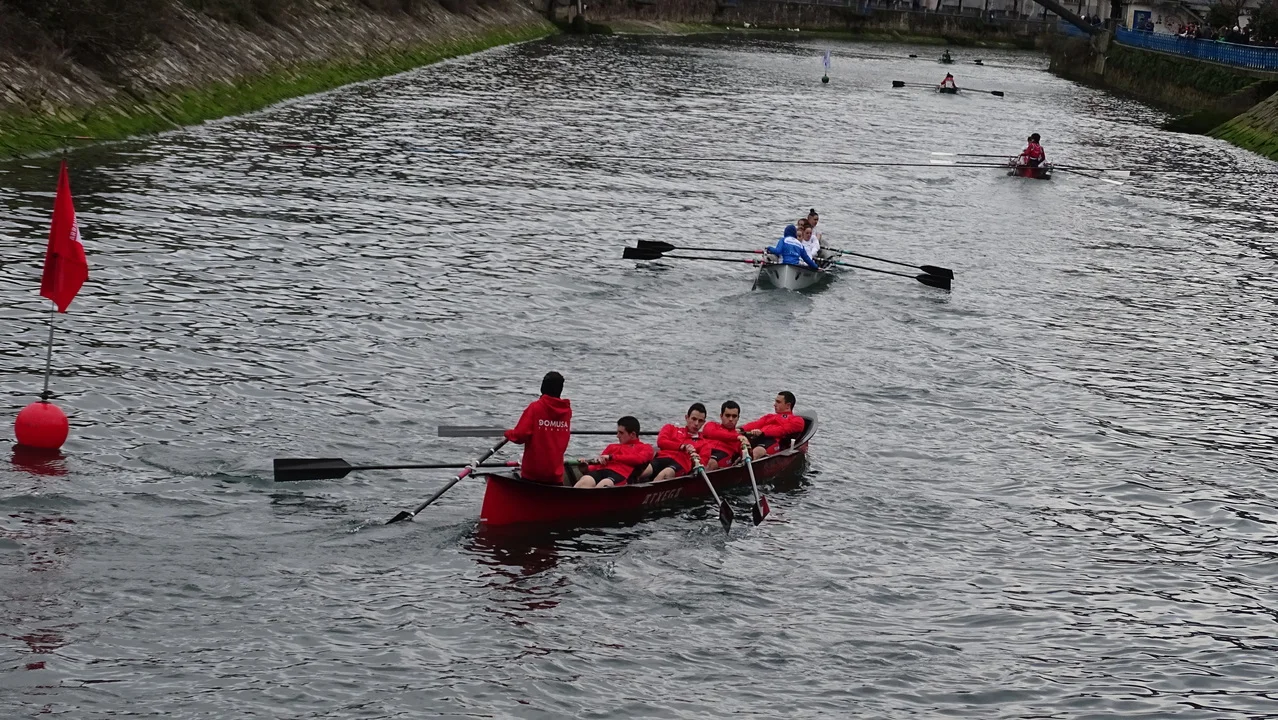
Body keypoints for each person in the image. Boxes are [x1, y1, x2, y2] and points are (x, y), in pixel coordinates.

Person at [504, 371, 572, 485]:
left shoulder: (535, 408)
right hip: (555, 476)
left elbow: (519, 436)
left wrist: (507, 433)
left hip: (533, 475)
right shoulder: (566, 411)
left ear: (542, 387)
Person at [574, 416, 654, 489]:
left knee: (605, 483)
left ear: (632, 434)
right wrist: (586, 468)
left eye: (621, 433)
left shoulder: (646, 448)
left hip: (621, 475)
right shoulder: (611, 446)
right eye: (617, 432)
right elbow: (599, 465)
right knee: (585, 480)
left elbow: (639, 459)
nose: (617, 436)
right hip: (602, 471)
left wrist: (612, 457)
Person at [641, 403, 708, 482]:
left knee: (664, 474)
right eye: (694, 419)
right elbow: (661, 442)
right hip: (662, 458)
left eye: (700, 421)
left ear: (704, 422)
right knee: (643, 472)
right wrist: (682, 446)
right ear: (687, 418)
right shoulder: (671, 428)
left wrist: (696, 460)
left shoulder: (704, 444)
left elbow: (703, 464)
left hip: (680, 465)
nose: (696, 423)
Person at [741, 391, 806, 461]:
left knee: (757, 451)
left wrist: (763, 432)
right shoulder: (770, 416)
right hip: (758, 437)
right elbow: (756, 424)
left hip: (773, 441)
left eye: (778, 402)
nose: (774, 405)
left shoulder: (797, 420)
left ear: (788, 405)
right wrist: (741, 429)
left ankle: (748, 461)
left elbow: (782, 430)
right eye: (775, 401)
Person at [699, 401, 745, 471]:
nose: (730, 419)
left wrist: (747, 447)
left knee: (711, 463)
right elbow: (709, 432)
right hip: (705, 449)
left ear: (738, 418)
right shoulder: (711, 425)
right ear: (721, 416)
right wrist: (736, 437)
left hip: (723, 455)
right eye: (727, 415)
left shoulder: (741, 439)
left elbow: (748, 456)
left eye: (734, 416)